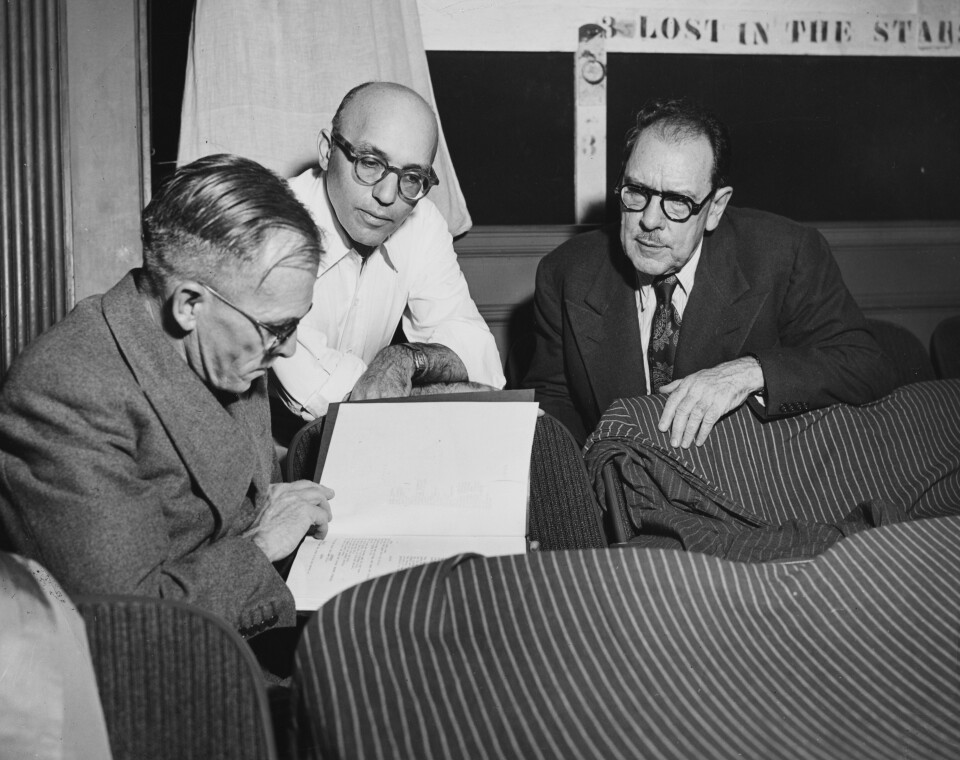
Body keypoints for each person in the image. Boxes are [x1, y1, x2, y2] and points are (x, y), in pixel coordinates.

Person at [0, 154, 332, 643]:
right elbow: (128, 626)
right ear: (190, 305)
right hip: (167, 689)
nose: (289, 347)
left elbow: (250, 489)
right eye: (277, 328)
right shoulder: (63, 395)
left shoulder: (228, 341)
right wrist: (261, 545)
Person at [523, 97, 897, 447]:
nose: (649, 220)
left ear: (716, 207)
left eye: (678, 202)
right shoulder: (566, 273)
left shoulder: (786, 254)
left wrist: (750, 372)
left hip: (744, 493)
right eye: (637, 192)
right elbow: (554, 401)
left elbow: (866, 363)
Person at [270, 81, 505, 423]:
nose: (386, 195)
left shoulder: (421, 220)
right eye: (369, 162)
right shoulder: (272, 224)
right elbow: (319, 393)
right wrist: (449, 392)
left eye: (411, 176)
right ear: (326, 150)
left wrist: (405, 359)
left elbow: (478, 354)